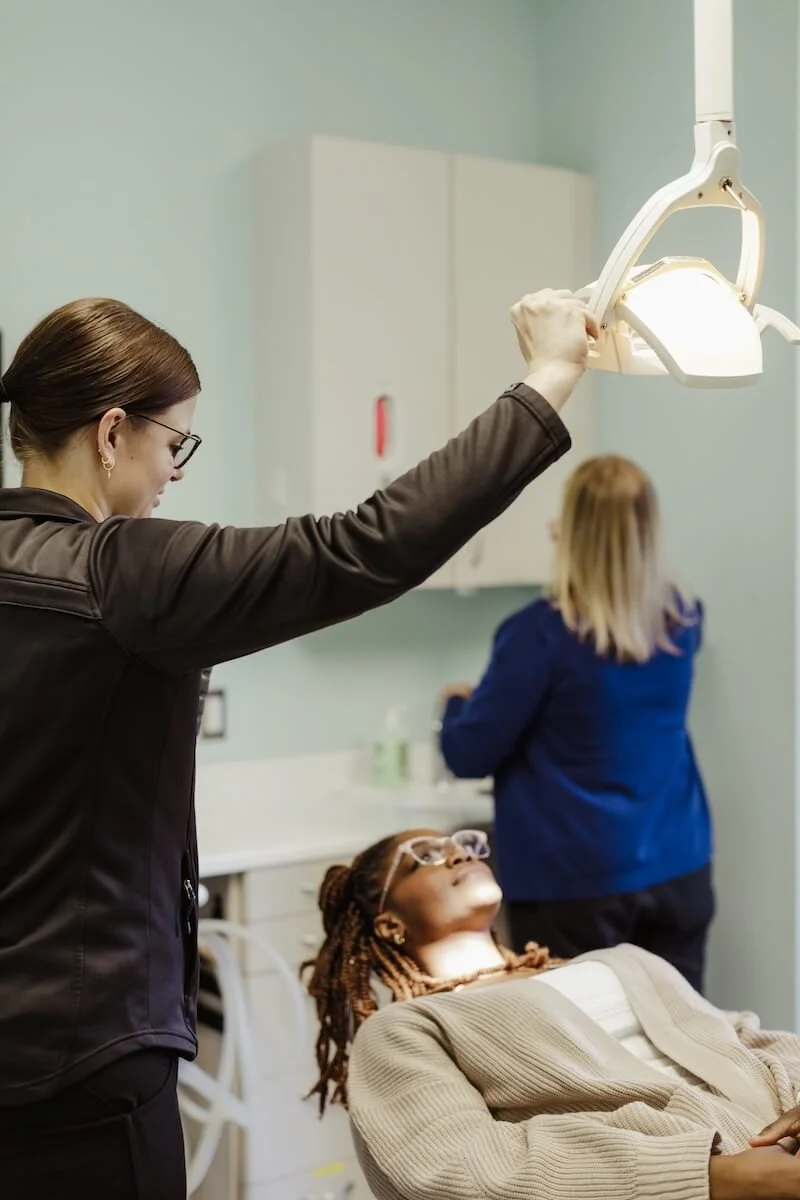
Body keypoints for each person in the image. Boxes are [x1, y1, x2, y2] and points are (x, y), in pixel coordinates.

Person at [0, 288, 594, 1199]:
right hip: (86, 1062)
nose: (176, 472)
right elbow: (363, 547)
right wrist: (548, 378)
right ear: (111, 433)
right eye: (174, 443)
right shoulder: (121, 574)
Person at [304, 827, 800, 1200]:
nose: (459, 853)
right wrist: (709, 1179)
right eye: (424, 859)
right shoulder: (410, 1028)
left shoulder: (619, 960)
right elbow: (458, 1166)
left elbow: (743, 1036)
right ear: (389, 925)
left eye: (466, 845)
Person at [438, 455, 713, 991]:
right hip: (679, 868)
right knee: (683, 1045)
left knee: (583, 1061)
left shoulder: (538, 636)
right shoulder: (682, 621)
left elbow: (468, 753)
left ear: (574, 533)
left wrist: (454, 704)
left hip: (575, 883)